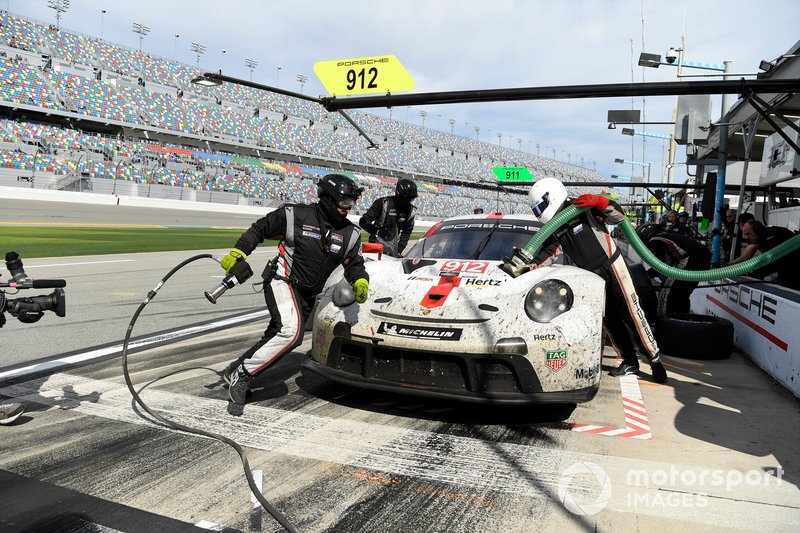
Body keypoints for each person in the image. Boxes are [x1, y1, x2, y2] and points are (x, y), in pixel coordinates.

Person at [220, 174, 370, 405]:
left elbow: (355, 264)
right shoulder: (294, 215)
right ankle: (243, 374)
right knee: (291, 333)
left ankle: (234, 367)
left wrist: (360, 280)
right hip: (282, 280)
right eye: (344, 202)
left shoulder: (351, 234)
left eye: (351, 203)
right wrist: (238, 253)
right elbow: (259, 229)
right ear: (327, 199)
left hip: (309, 294)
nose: (347, 208)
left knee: (275, 334)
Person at [504, 178, 667, 383]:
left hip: (613, 265)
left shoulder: (582, 207)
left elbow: (618, 217)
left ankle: (654, 359)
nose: (539, 213)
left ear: (551, 197)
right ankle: (630, 361)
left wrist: (599, 202)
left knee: (632, 312)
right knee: (609, 320)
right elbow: (548, 251)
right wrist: (529, 267)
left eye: (540, 207)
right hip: (592, 276)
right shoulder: (554, 226)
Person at [638, 224, 711, 314]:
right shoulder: (668, 235)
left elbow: (662, 264)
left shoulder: (655, 240)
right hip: (704, 258)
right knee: (682, 294)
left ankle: (664, 321)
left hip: (691, 258)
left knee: (666, 290)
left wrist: (648, 274)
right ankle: (682, 321)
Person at [729, 220, 799, 289]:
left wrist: (754, 271)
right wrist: (732, 264)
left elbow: (768, 259)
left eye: (748, 234)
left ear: (758, 230)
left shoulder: (772, 237)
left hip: (792, 262)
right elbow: (748, 255)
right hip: (783, 261)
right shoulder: (759, 237)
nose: (747, 237)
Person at [359, 178, 417, 257]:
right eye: (407, 198)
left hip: (392, 247)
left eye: (411, 199)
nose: (409, 201)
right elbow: (363, 220)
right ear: (399, 194)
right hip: (376, 244)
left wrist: (399, 250)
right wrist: (376, 231)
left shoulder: (411, 211)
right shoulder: (383, 203)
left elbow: (406, 232)